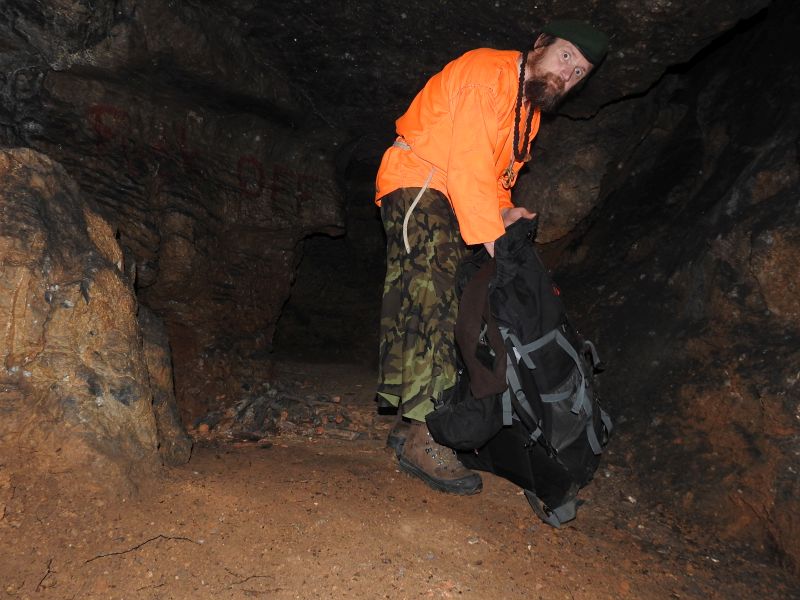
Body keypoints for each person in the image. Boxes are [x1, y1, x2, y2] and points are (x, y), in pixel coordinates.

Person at [374, 20, 609, 495]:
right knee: (429, 300)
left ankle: (423, 422)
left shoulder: (530, 113)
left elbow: (495, 177)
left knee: (460, 306)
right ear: (540, 44)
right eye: (566, 57)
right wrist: (492, 235)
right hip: (420, 184)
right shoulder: (489, 73)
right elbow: (468, 163)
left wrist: (507, 210)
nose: (568, 75)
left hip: (452, 197)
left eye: (579, 73)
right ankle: (425, 433)